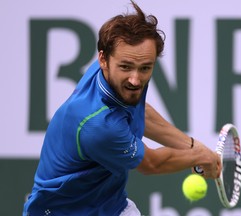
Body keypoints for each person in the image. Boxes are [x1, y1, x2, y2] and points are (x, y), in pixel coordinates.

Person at [23, 1, 221, 215]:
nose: (135, 80)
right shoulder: (99, 125)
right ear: (103, 59)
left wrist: (193, 147)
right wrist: (199, 156)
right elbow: (151, 164)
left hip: (110, 205)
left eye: (145, 68)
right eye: (126, 67)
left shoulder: (116, 74)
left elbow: (141, 113)